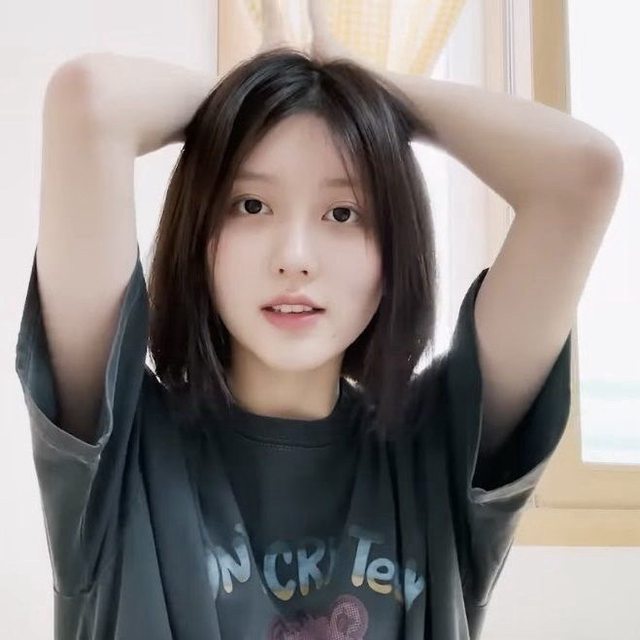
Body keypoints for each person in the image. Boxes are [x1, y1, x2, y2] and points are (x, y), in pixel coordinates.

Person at [14, 0, 622, 638]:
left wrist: (357, 92)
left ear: (395, 251)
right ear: (199, 235)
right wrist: (260, 93)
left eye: (342, 213)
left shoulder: (435, 451)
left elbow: (581, 175)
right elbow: (91, 102)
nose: (295, 257)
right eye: (252, 205)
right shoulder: (121, 445)